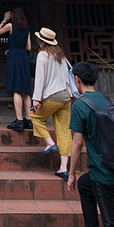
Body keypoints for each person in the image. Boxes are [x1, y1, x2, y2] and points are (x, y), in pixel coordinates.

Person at [67, 61, 114, 227]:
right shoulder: (108, 101)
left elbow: (77, 144)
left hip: (104, 176)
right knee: (84, 185)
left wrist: (71, 174)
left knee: (113, 226)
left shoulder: (79, 105)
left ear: (77, 80)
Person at [31, 27, 73, 180]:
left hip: (53, 95)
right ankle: (63, 168)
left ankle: (49, 143)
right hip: (66, 97)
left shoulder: (43, 55)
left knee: (35, 117)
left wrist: (36, 99)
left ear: (41, 40)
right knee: (64, 131)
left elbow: (40, 79)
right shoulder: (60, 55)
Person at [0, 7, 32, 131]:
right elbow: (29, 47)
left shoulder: (10, 26)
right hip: (23, 57)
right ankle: (29, 120)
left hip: (14, 56)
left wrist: (3, 20)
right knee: (25, 91)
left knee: (16, 90)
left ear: (13, 16)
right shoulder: (27, 30)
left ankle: (19, 120)